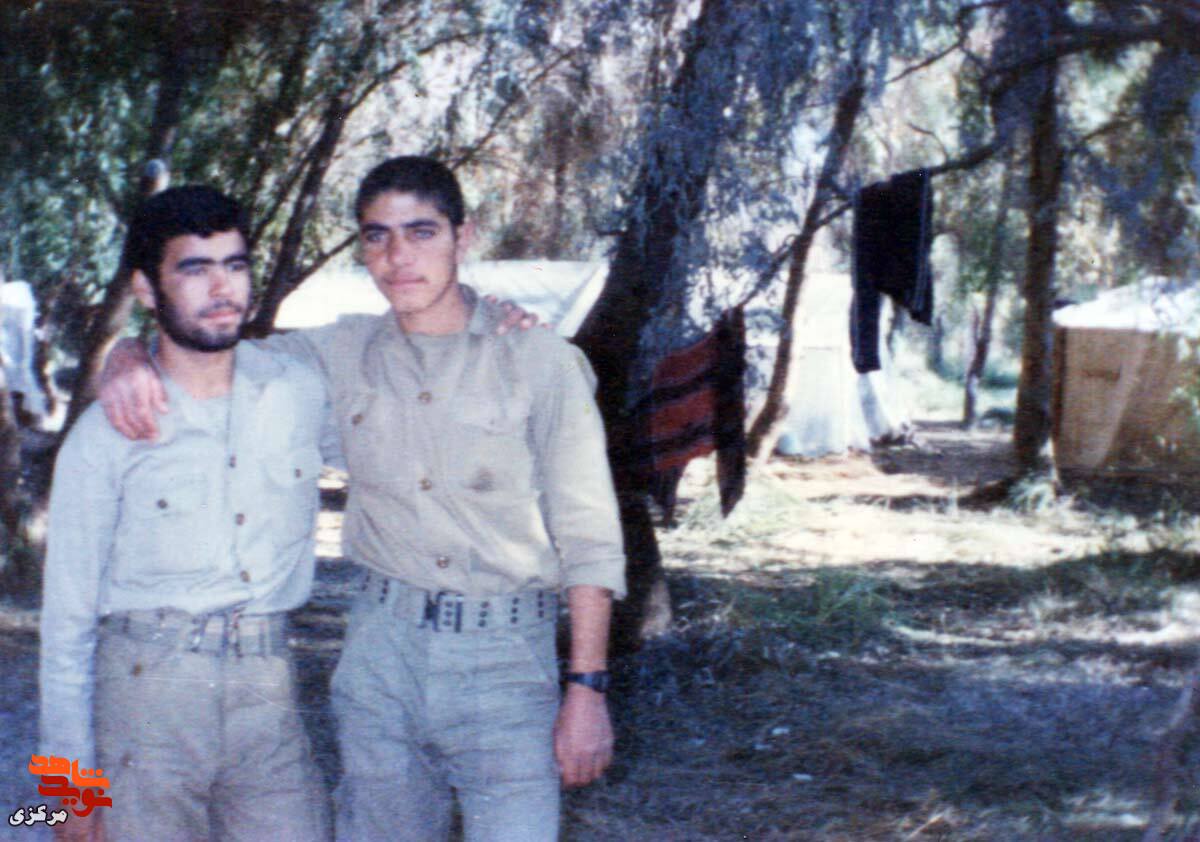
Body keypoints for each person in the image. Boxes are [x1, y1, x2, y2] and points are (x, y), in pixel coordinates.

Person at [99, 156, 627, 841]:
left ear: (463, 237)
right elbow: (212, 358)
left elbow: (590, 535)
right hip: (381, 655)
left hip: (506, 663)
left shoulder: (539, 360)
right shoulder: (338, 351)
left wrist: (587, 688)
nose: (398, 256)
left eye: (421, 232)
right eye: (378, 236)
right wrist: (129, 350)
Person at [40, 185, 338, 841]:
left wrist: (494, 318)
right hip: (147, 701)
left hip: (269, 694)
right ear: (147, 289)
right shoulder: (107, 433)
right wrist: (66, 792)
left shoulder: (298, 391)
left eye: (235, 265)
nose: (222, 287)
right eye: (195, 269)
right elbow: (65, 624)